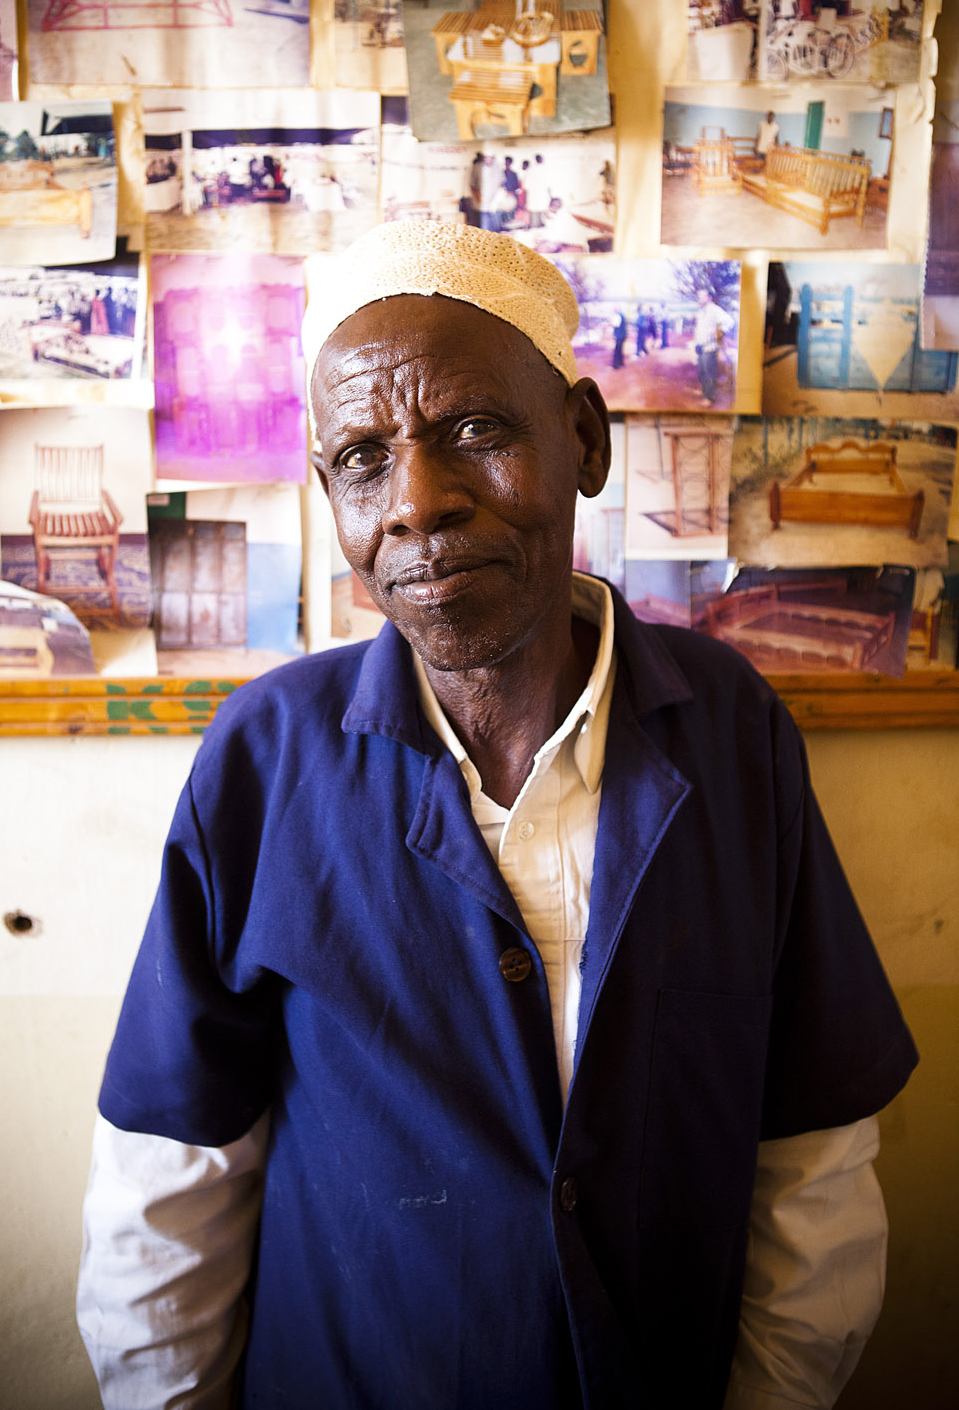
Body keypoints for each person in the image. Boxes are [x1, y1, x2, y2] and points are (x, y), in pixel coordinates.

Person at [77, 220, 917, 1410]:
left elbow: (812, 1160)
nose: (418, 504)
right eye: (364, 458)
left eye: (474, 429)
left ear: (582, 438)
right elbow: (172, 1178)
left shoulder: (730, 734)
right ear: (331, 496)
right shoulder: (266, 759)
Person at [693, 285, 734, 404]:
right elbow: (699, 329)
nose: (699, 298)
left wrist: (721, 332)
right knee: (702, 371)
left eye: (702, 296)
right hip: (701, 345)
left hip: (710, 347)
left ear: (709, 298)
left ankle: (709, 397)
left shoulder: (714, 309)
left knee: (709, 371)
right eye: (698, 296)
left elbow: (730, 321)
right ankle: (705, 390)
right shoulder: (700, 311)